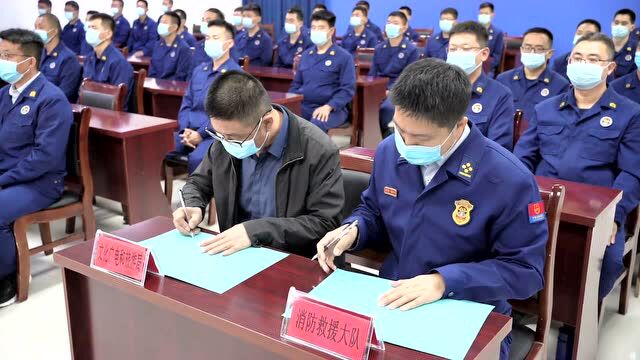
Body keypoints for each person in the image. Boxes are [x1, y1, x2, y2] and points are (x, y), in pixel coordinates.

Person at [316, 59, 547, 360]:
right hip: (392, 296)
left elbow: (525, 272)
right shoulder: (390, 150)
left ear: (459, 125)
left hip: (471, 311)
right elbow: (373, 210)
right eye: (399, 130)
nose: (406, 144)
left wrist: (444, 282)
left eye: (421, 139)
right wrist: (353, 230)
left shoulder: (508, 179)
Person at [514, 32, 640, 303]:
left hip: (596, 210)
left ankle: (574, 321)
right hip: (540, 203)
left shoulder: (629, 113)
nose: (583, 64)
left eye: (593, 59)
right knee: (504, 244)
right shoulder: (546, 108)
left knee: (605, 263)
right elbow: (522, 158)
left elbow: (631, 172)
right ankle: (526, 308)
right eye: (578, 58)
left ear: (610, 68)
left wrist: (614, 218)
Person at [175, 71, 344, 258]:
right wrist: (192, 204)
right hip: (236, 257)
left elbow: (325, 223)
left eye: (233, 138)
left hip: (291, 260)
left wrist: (256, 231)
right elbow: (198, 182)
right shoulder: (226, 139)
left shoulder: (318, 150)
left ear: (267, 123)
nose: (225, 142)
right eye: (219, 134)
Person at [0, 28, 73, 308]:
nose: (2, 60)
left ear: (29, 62)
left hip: (40, 182)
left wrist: (4, 179)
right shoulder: (6, 94)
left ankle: (7, 279)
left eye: (7, 56)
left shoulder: (51, 100)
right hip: (9, 176)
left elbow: (45, 157)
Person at [175, 19, 241, 173]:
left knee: (198, 158)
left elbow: (225, 114)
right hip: (189, 131)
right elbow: (186, 103)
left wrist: (200, 133)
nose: (210, 42)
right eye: (208, 38)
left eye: (216, 38)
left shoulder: (235, 75)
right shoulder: (200, 70)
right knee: (155, 145)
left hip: (215, 135)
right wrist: (185, 129)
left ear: (229, 44)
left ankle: (197, 197)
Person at [446, 21, 515, 150]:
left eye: (466, 49)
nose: (457, 54)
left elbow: (497, 150)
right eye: (453, 49)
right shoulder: (434, 87)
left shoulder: (499, 95)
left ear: (483, 54)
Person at [289, 10, 356, 132]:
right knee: (282, 118)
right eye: (313, 28)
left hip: (332, 109)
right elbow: (296, 85)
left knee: (315, 123)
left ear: (331, 31)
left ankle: (309, 151)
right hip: (305, 105)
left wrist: (329, 106)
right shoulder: (306, 55)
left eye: (321, 28)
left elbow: (347, 89)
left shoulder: (344, 57)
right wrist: (290, 103)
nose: (316, 31)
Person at [497, 27, 570, 119]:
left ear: (550, 53)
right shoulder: (503, 79)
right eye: (527, 48)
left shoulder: (560, 86)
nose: (532, 52)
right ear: (521, 50)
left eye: (539, 49)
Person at [372, 11, 420, 136]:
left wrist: (390, 90)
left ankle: (386, 138)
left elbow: (408, 78)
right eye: (388, 22)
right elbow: (372, 74)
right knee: (362, 106)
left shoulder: (411, 50)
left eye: (395, 23)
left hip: (399, 90)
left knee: (386, 108)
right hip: (377, 88)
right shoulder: (379, 48)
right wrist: (376, 89)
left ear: (404, 28)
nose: (390, 25)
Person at [83, 13, 134, 110]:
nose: (89, 31)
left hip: (110, 118)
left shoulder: (118, 62)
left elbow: (118, 102)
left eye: (94, 27)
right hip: (89, 112)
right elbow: (82, 92)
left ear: (108, 34)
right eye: (88, 27)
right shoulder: (89, 58)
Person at [36, 13, 82, 102]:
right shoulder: (38, 53)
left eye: (40, 28)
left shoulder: (68, 58)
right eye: (35, 27)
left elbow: (65, 93)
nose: (36, 31)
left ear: (54, 32)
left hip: (53, 106)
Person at [148, 11, 192, 81]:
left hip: (170, 88)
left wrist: (162, 85)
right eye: (160, 22)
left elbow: (180, 75)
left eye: (164, 22)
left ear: (174, 27)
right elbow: (152, 69)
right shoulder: (157, 44)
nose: (160, 25)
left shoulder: (184, 48)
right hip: (153, 86)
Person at [191, 8, 225, 75]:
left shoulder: (226, 46)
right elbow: (191, 71)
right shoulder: (198, 45)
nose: (204, 23)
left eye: (208, 20)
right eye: (203, 20)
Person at [477, 2, 504, 77]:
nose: (483, 15)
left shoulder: (497, 33)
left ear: (492, 15)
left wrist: (483, 64)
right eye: (481, 13)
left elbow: (496, 57)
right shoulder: (472, 31)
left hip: (487, 69)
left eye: (486, 13)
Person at [611, 9, 638, 78]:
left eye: (624, 23)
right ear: (612, 24)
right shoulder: (602, 46)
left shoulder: (637, 49)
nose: (619, 26)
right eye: (616, 23)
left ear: (632, 27)